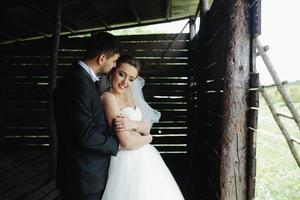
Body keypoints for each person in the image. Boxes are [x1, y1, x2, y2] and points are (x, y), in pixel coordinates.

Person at [101, 55, 185, 200]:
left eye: (131, 79)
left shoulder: (130, 94)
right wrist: (149, 138)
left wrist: (133, 125)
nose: (125, 82)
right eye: (122, 74)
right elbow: (126, 142)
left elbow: (146, 126)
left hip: (146, 159)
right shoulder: (109, 98)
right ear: (112, 72)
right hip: (126, 161)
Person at [53, 32, 122, 200]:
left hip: (84, 175)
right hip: (83, 177)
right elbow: (84, 135)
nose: (114, 66)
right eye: (113, 61)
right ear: (102, 58)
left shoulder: (82, 79)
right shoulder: (77, 83)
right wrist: (115, 144)